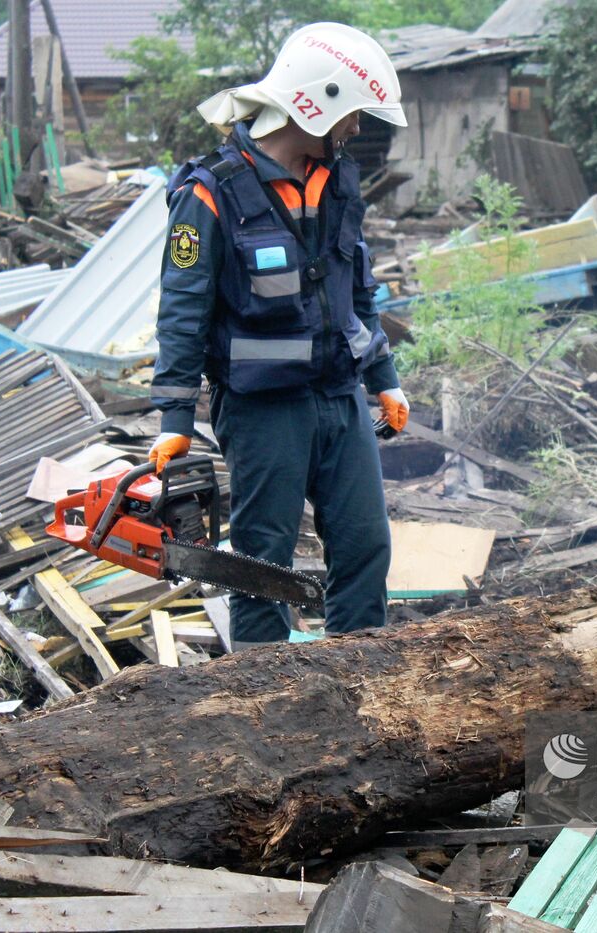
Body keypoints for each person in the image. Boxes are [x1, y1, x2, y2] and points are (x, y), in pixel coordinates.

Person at [148, 23, 409, 648]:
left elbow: (356, 288)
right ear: (316, 101)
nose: (355, 130)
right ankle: (264, 711)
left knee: (366, 549)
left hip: (341, 397)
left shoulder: (336, 178)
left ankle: (360, 691)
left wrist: (384, 378)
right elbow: (182, 310)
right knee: (263, 569)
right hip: (265, 409)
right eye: (351, 115)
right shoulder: (210, 193)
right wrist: (174, 418)